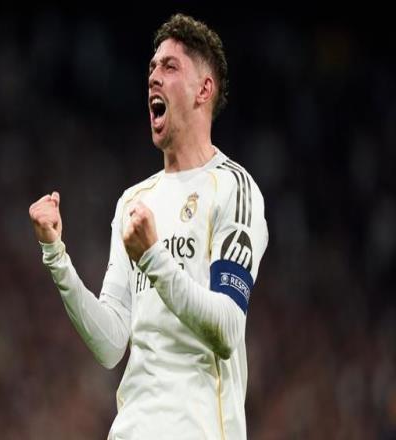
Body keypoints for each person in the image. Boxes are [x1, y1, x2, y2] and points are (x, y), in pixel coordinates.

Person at [29, 13, 268, 439]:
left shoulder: (233, 188)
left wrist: (154, 257)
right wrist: (55, 255)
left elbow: (228, 328)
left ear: (203, 90)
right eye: (152, 68)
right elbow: (110, 344)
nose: (154, 77)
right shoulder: (134, 202)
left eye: (170, 67)